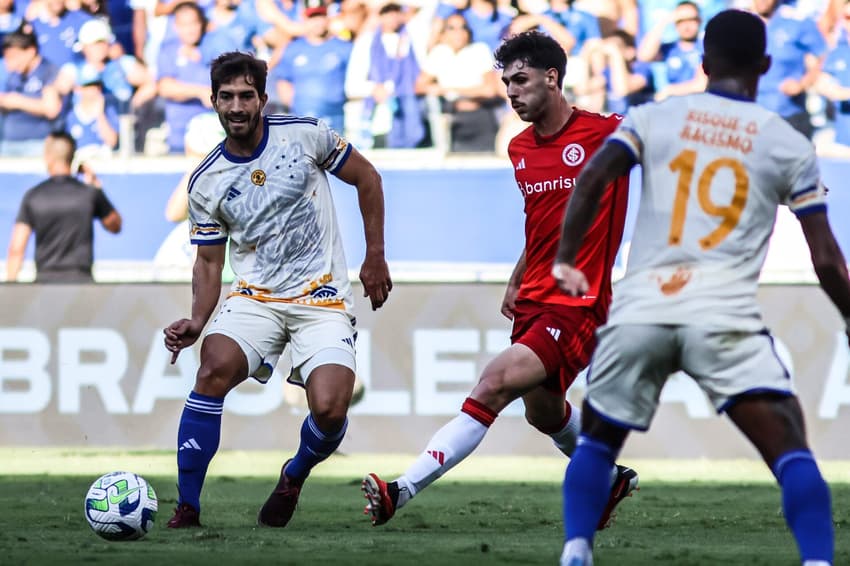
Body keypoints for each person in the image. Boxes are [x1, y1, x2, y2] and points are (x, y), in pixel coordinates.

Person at [553, 9, 848, 566]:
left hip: (642, 308)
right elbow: (827, 259)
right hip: (722, 314)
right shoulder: (788, 143)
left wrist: (568, 260)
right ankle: (816, 562)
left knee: (597, 441)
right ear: (763, 64)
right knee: (788, 446)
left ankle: (576, 548)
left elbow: (592, 179)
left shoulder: (655, 116)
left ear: (704, 62)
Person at [361, 31, 637, 531]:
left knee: (492, 384)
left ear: (552, 78)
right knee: (544, 413)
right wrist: (517, 277)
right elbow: (543, 221)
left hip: (579, 303)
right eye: (506, 82)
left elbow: (674, 150)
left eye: (521, 79)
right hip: (534, 296)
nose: (511, 91)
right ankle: (610, 478)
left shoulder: (609, 133)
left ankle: (401, 490)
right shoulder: (519, 148)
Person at [163, 50, 392, 529]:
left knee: (330, 408)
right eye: (227, 96)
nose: (237, 105)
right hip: (256, 298)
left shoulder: (305, 135)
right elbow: (209, 260)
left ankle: (294, 473)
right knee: (212, 368)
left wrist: (374, 256)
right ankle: (188, 506)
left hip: (321, 298)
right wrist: (198, 319)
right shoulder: (206, 180)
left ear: (263, 99)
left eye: (247, 95)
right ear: (213, 102)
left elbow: (367, 177)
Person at [6, 131, 122, 283]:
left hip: (44, 285)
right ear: (72, 158)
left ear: (48, 158)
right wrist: (97, 188)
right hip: (81, 284)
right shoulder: (89, 194)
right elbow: (115, 225)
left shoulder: (34, 196)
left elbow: (16, 249)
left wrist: (10, 288)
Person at [636, 1, 707, 101]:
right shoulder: (670, 49)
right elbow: (644, 56)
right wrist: (663, 22)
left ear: (699, 21)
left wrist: (669, 91)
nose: (686, 26)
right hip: (675, 105)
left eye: (691, 20)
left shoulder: (706, 47)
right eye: (680, 21)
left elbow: (701, 85)